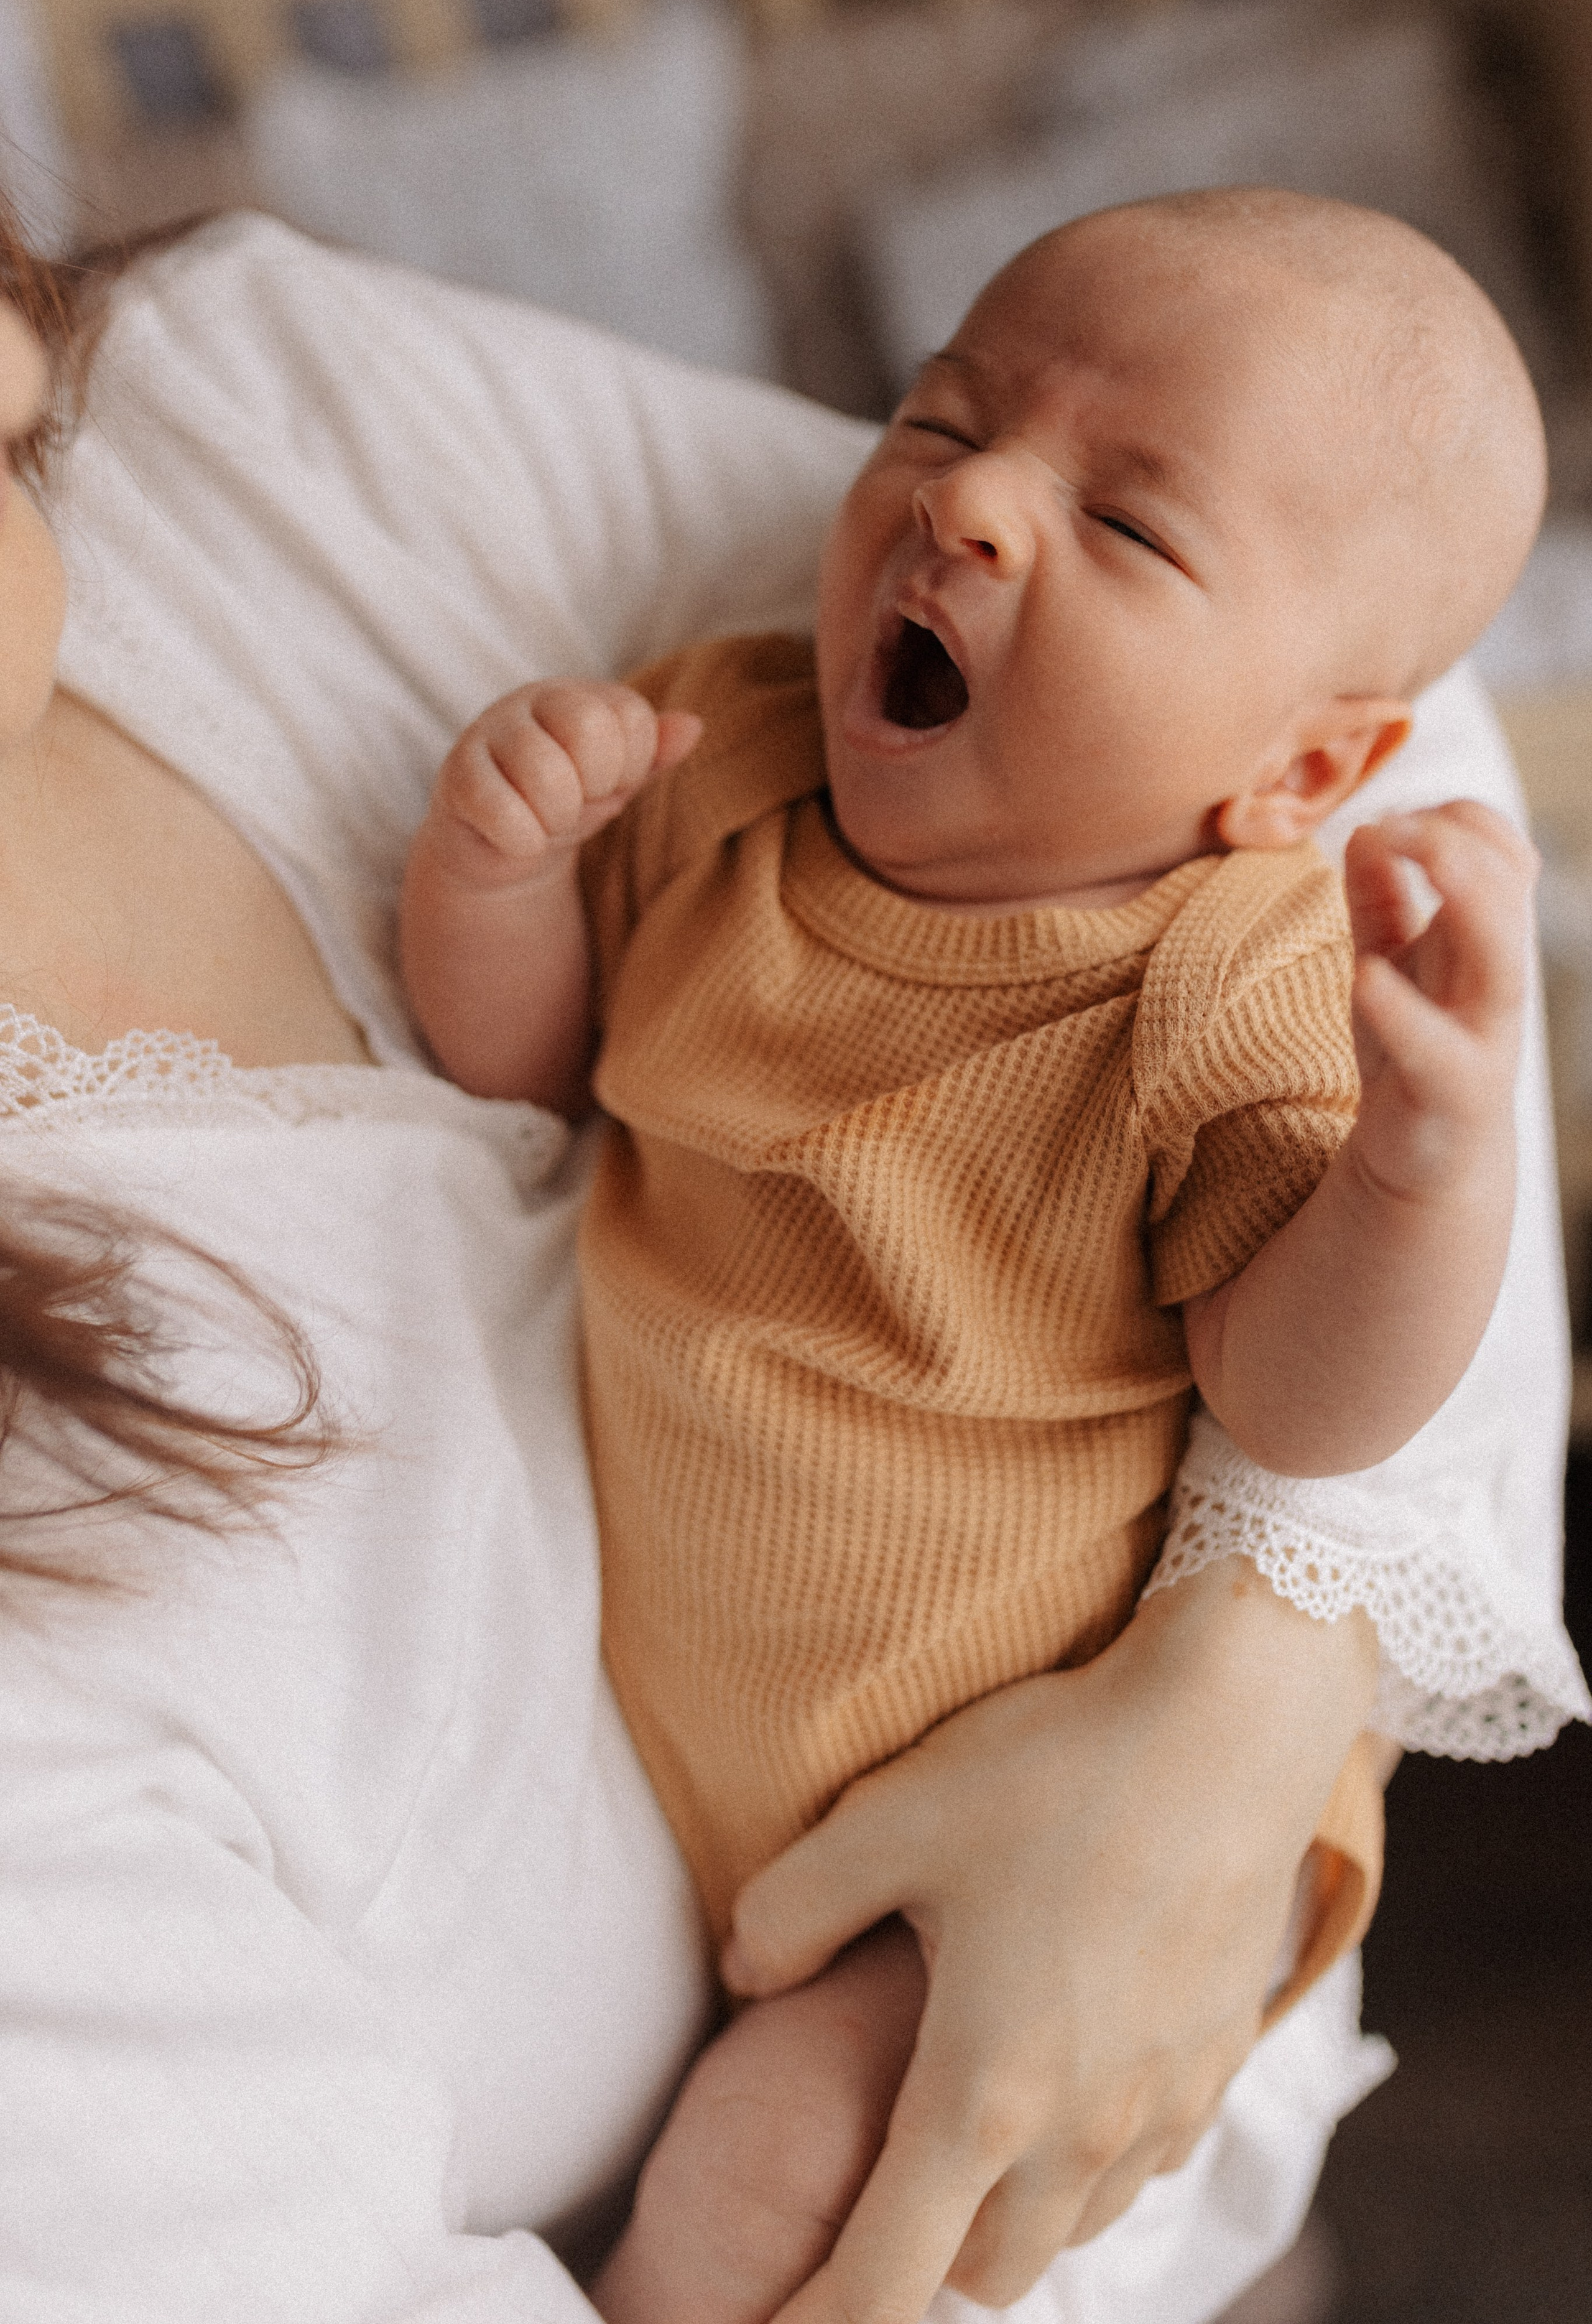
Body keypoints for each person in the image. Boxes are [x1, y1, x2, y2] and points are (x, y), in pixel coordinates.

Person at [1, 193, 1585, 2324]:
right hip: (820, 1872)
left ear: (1295, 779)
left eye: (1126, 527)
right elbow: (550, 1056)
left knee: (781, 2189)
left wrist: (1412, 1201)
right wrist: (504, 865)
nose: (971, 506)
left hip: (949, 1814)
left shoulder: (1215, 966)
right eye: (939, 417)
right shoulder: (736, 754)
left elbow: (1309, 1375)